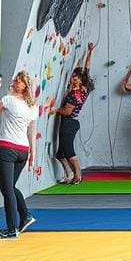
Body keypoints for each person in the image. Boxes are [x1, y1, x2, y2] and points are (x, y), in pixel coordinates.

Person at [0, 71, 39, 240]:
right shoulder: (33, 106)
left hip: (7, 149)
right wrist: (32, 154)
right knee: (10, 187)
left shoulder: (8, 101)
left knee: (7, 190)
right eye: (15, 78)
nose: (15, 81)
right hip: (22, 152)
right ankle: (25, 216)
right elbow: (32, 132)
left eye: (19, 80)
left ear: (25, 87)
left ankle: (11, 230)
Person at [48, 43, 94, 184]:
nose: (72, 79)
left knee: (68, 150)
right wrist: (89, 53)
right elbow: (86, 71)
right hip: (70, 122)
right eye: (72, 77)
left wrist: (55, 110)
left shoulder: (75, 94)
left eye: (75, 78)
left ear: (80, 81)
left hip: (69, 122)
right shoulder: (83, 89)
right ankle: (68, 174)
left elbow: (67, 111)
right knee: (60, 153)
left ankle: (78, 175)